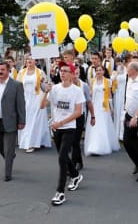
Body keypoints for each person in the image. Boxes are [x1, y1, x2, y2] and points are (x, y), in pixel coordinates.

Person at [41, 61, 85, 206]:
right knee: (64, 156)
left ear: (72, 74)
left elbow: (78, 112)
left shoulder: (77, 90)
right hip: (56, 128)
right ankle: (75, 175)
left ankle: (60, 192)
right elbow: (42, 106)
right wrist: (46, 91)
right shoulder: (54, 89)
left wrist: (61, 122)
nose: (62, 73)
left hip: (69, 127)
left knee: (61, 158)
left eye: (66, 71)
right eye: (61, 70)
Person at [17, 55, 51, 153]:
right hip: (25, 99)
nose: (29, 61)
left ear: (35, 61)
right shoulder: (21, 72)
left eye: (31, 59)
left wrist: (47, 85)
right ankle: (27, 141)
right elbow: (18, 86)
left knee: (36, 122)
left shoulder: (40, 72)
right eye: (27, 59)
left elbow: (44, 87)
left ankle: (33, 143)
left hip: (37, 98)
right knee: (27, 120)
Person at [84, 65, 119, 156]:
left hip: (104, 106)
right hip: (94, 106)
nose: (98, 72)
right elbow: (90, 95)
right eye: (97, 70)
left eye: (100, 70)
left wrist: (111, 108)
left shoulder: (108, 81)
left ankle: (102, 145)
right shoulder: (92, 81)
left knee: (103, 124)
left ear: (103, 71)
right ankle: (94, 146)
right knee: (94, 125)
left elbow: (110, 95)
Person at [72, 65, 95, 170]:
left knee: (75, 141)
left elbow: (89, 102)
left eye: (77, 73)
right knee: (73, 142)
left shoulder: (84, 86)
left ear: (79, 74)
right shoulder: (66, 85)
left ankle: (73, 164)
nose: (75, 76)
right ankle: (79, 161)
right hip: (68, 117)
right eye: (73, 73)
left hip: (81, 115)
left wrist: (93, 116)